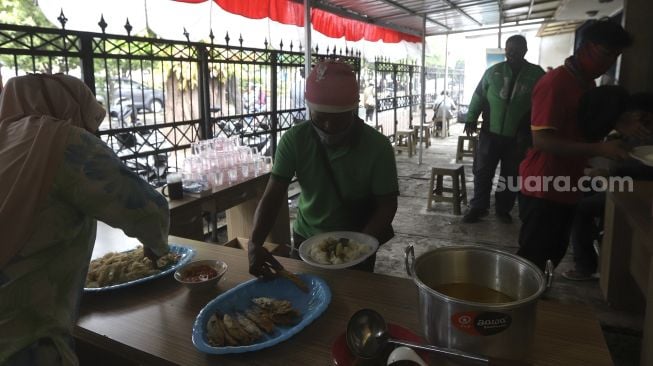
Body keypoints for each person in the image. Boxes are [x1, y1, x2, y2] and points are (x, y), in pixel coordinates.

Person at [0, 74, 170, 365]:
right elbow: (147, 207)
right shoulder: (60, 140)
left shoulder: (8, 140)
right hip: (26, 341)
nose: (92, 130)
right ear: (71, 107)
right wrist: (156, 245)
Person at [247, 60, 399, 276]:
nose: (328, 127)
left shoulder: (378, 147)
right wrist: (255, 243)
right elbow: (273, 194)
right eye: (320, 118)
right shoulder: (294, 140)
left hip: (358, 238)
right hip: (307, 241)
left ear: (353, 110)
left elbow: (387, 205)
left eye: (338, 121)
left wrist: (359, 247)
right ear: (310, 110)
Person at [516, 19, 646, 271]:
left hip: (567, 183)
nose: (610, 63)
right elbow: (541, 140)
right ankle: (521, 307)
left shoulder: (586, 82)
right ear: (585, 47)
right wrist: (600, 150)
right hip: (543, 184)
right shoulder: (555, 83)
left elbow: (578, 128)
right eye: (606, 54)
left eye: (616, 56)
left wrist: (616, 126)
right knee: (533, 260)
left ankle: (539, 303)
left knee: (553, 255)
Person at [563, 91, 653, 280]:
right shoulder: (636, 129)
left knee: (581, 210)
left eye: (640, 116)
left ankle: (585, 266)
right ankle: (594, 243)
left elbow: (644, 172)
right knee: (579, 190)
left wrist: (611, 173)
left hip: (637, 191)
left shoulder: (644, 129)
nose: (636, 120)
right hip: (620, 183)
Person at [462, 35, 546, 223]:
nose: (513, 53)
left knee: (511, 174)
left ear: (525, 50)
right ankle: (479, 206)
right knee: (482, 171)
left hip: (519, 137)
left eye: (517, 49)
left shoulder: (537, 74)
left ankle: (503, 209)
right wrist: (471, 119)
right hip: (489, 133)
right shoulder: (493, 72)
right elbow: (478, 96)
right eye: (509, 49)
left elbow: (544, 104)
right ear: (505, 50)